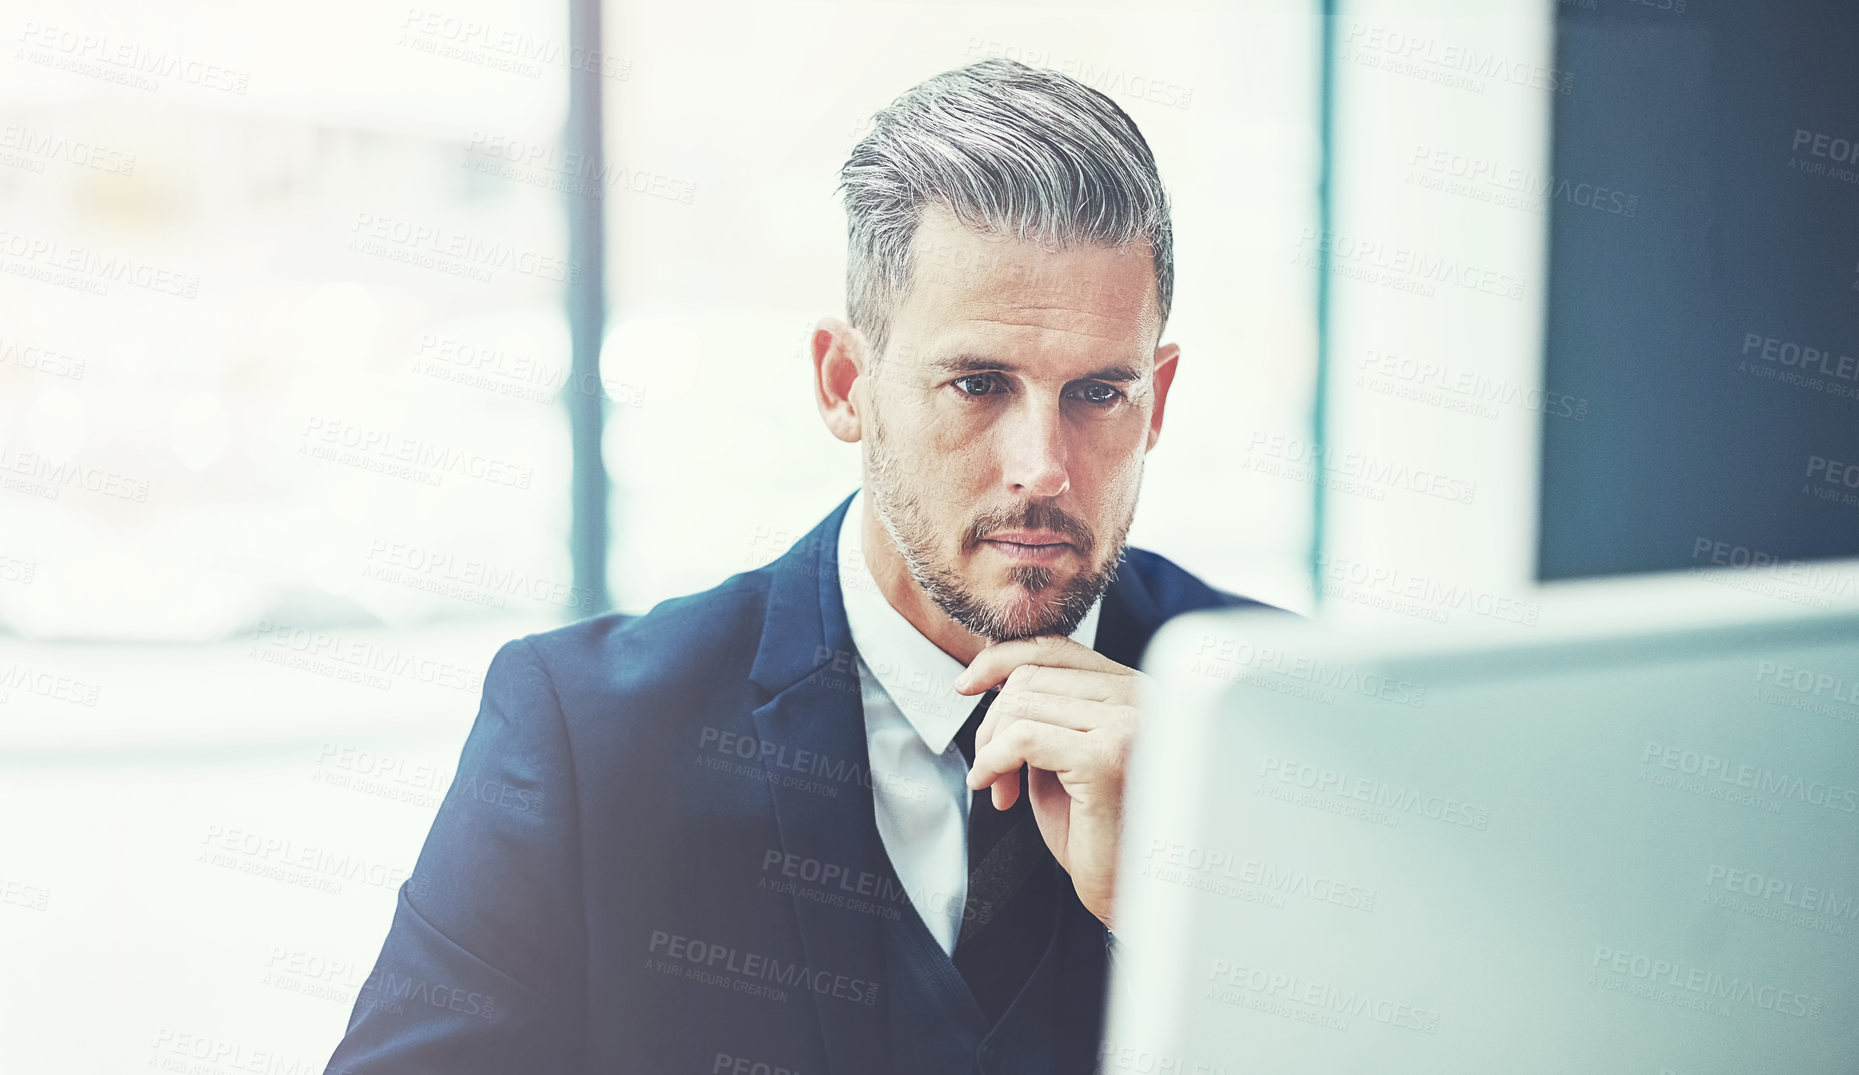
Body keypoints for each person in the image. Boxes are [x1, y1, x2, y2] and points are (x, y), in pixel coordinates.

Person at [325, 58, 1278, 1075]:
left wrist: (1180, 922)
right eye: (977, 383)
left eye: (1097, 393)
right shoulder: (588, 735)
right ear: (843, 383)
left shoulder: (1284, 727)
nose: (1041, 466)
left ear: (1158, 399)